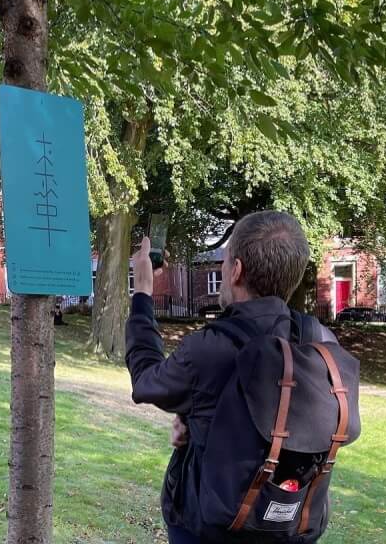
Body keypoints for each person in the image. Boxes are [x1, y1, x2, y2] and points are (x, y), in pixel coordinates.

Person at [124, 211, 359, 544]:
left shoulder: (209, 349)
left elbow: (146, 380)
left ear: (235, 271)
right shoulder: (320, 342)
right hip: (288, 525)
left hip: (209, 528)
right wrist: (194, 417)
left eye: (225, 260)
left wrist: (143, 294)